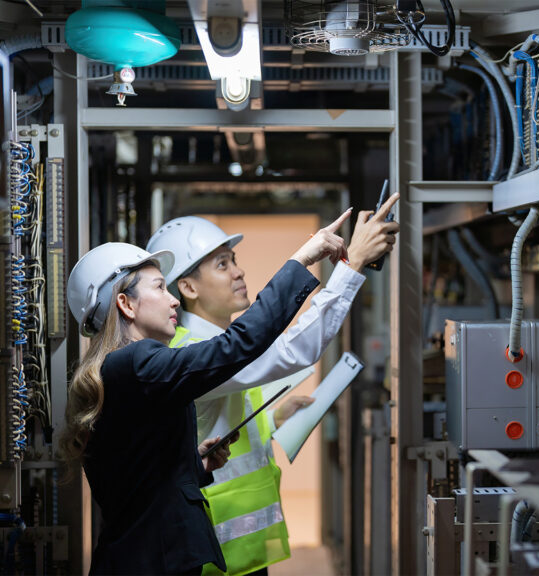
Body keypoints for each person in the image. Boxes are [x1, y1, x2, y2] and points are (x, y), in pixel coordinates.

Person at [59, 227, 347, 575]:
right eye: (160, 288)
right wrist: (302, 261)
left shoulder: (121, 369)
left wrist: (194, 464)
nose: (173, 300)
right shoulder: (137, 363)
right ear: (126, 304)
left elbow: (138, 480)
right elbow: (238, 344)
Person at [145, 194, 400, 576]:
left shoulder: (212, 346)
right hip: (210, 555)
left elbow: (216, 423)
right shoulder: (190, 354)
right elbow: (292, 349)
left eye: (234, 260)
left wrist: (273, 418)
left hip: (237, 551)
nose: (238, 272)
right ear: (188, 287)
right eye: (222, 264)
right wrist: (353, 264)